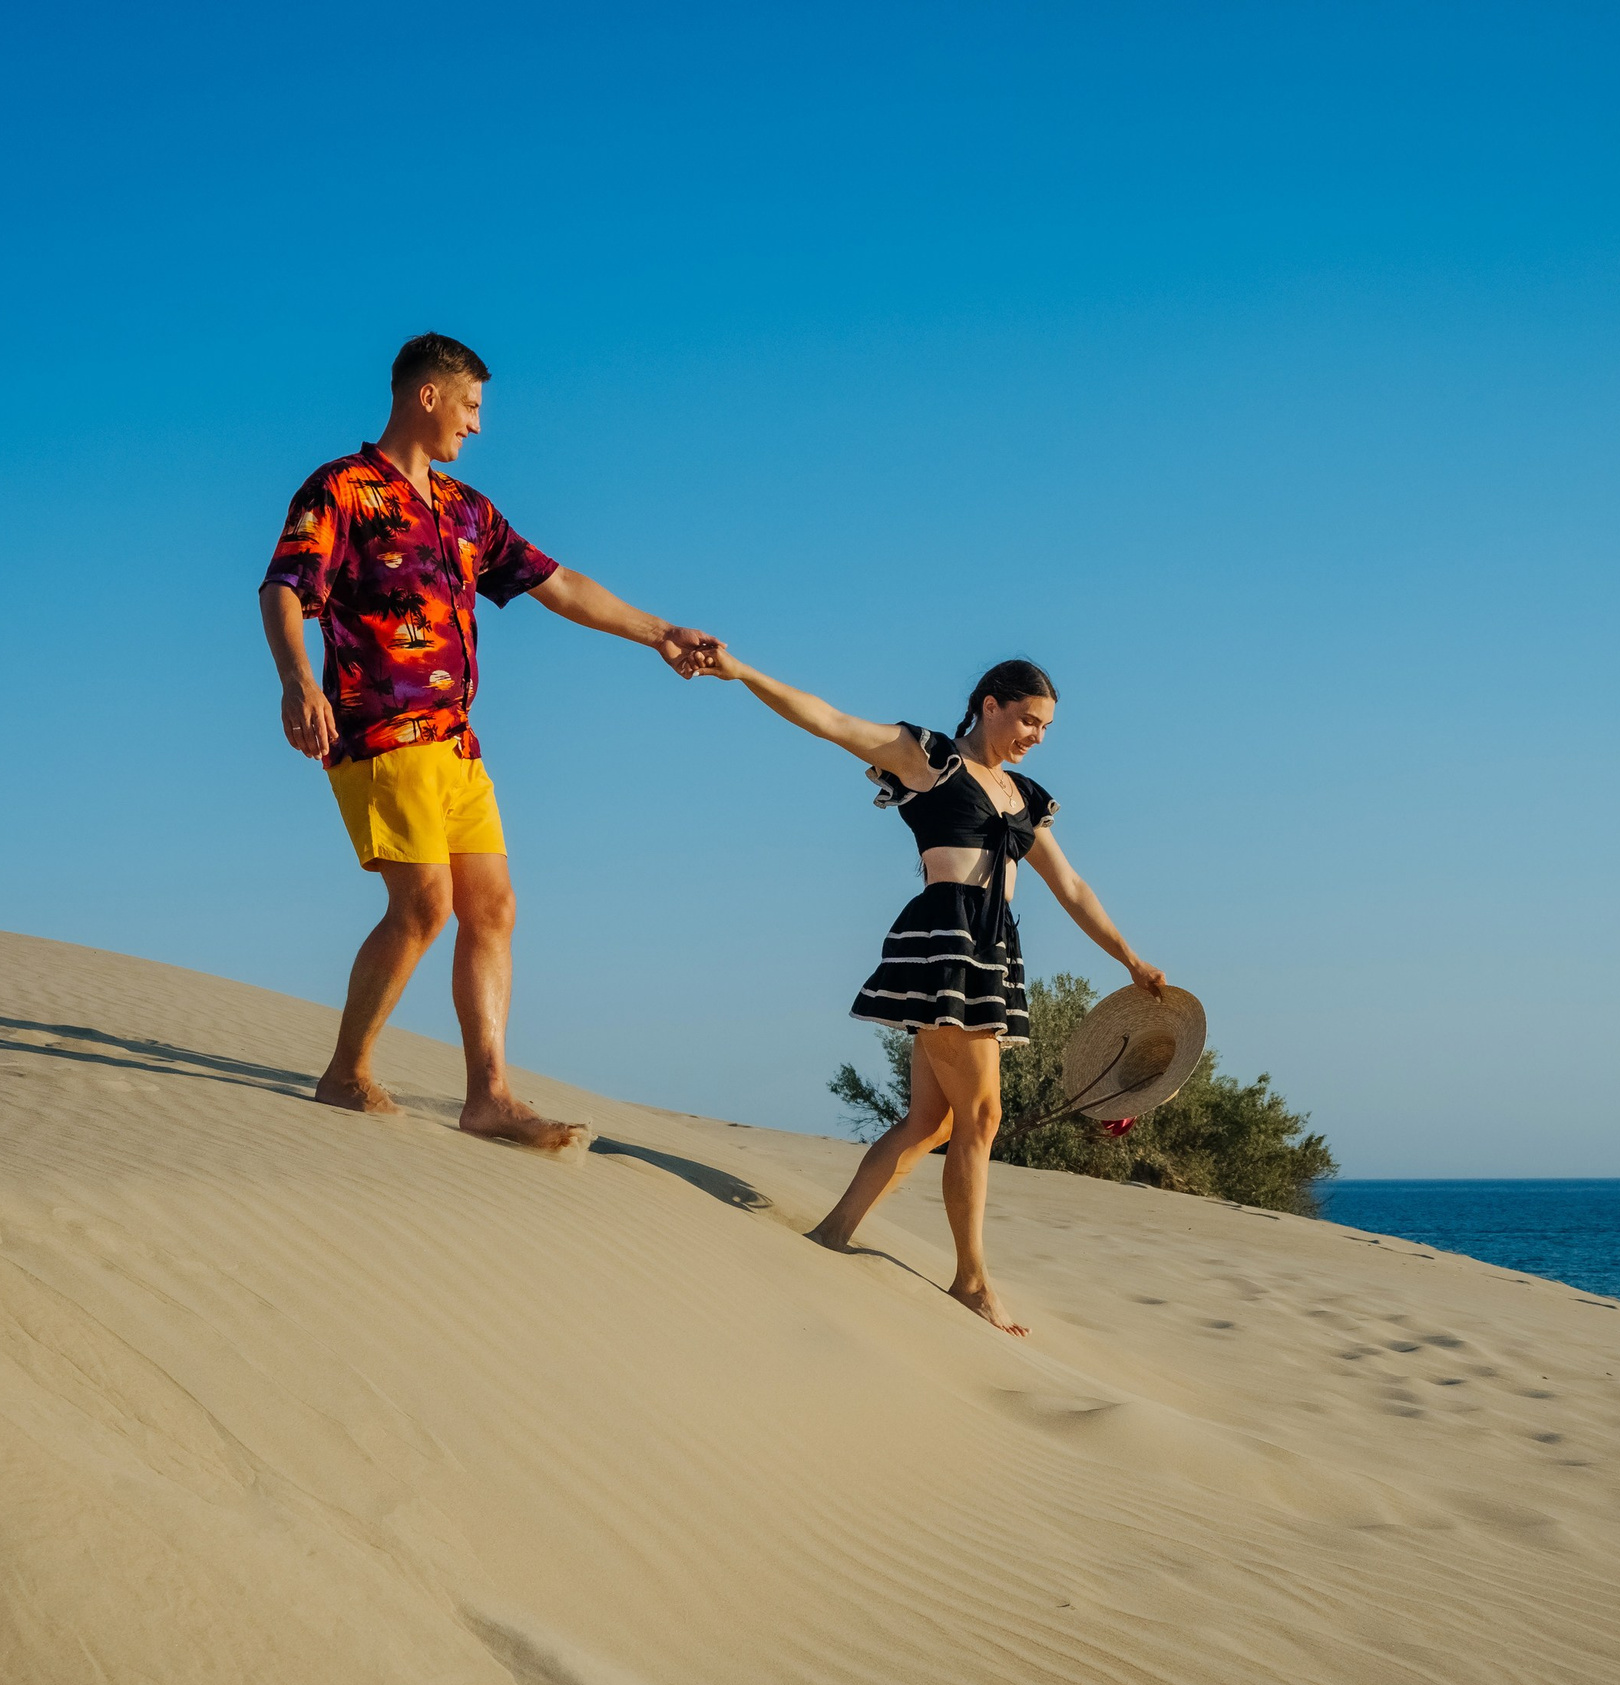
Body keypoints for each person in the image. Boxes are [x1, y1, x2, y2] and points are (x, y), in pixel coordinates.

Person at [260, 333, 716, 1148]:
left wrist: (659, 634)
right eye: (470, 406)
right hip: (380, 730)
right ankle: (344, 1073)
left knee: (493, 909)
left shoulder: (467, 511)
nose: (477, 426)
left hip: (459, 744)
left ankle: (489, 1097)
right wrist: (298, 681)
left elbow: (560, 584)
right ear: (427, 396)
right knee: (425, 905)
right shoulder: (343, 489)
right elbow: (286, 587)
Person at [693, 648, 1166, 1335]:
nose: (1036, 735)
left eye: (1046, 728)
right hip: (946, 943)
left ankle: (832, 1233)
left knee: (934, 1122)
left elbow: (1072, 887)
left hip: (992, 949)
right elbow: (828, 720)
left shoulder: (1027, 799)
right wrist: (745, 673)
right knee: (982, 1116)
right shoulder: (930, 757)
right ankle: (972, 1283)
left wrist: (1130, 959)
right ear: (990, 705)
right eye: (1028, 719)